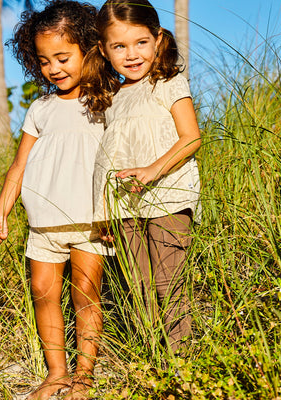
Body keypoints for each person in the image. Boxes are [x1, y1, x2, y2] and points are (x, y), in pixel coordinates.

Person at [0, 1, 109, 399]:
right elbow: (18, 167)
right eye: (43, 60)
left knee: (85, 296)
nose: (53, 68)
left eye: (62, 57)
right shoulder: (40, 108)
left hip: (91, 221)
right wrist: (0, 211)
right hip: (42, 224)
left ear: (90, 49)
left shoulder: (108, 103)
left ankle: (84, 375)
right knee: (43, 293)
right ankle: (56, 373)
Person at [81, 0, 202, 353]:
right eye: (119, 46)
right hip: (124, 204)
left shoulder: (168, 83)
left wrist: (153, 170)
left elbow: (191, 137)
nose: (131, 54)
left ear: (158, 38)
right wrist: (103, 212)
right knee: (138, 285)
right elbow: (106, 159)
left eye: (141, 43)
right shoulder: (112, 96)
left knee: (169, 282)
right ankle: (153, 359)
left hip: (168, 197)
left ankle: (182, 363)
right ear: (104, 49)